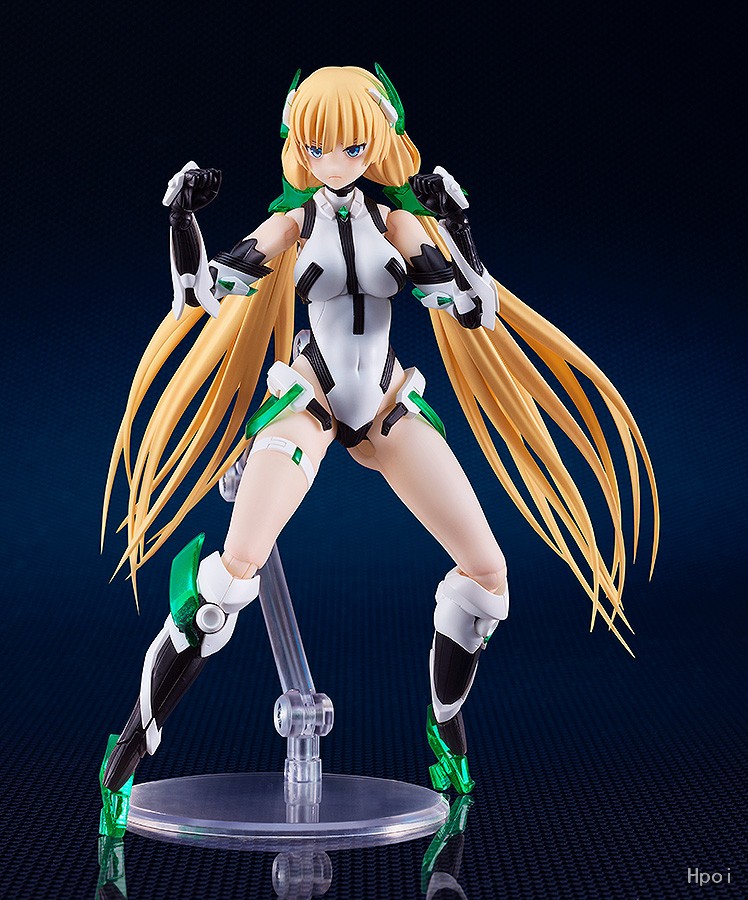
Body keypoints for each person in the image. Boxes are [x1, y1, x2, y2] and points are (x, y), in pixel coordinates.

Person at [101, 65, 659, 797]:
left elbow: (472, 308)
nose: (335, 161)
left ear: (378, 141)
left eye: (352, 146)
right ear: (300, 145)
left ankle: (445, 730)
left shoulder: (398, 223)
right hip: (308, 400)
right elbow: (201, 292)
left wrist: (459, 229)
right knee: (227, 582)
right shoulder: (292, 223)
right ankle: (130, 747)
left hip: (387, 404)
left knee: (488, 579)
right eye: (319, 147)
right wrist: (182, 220)